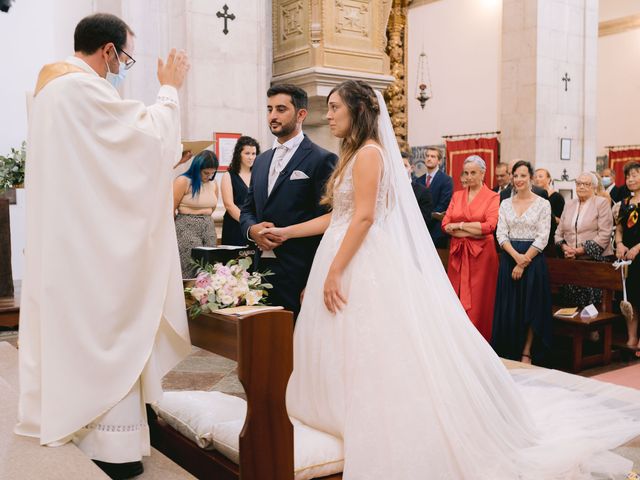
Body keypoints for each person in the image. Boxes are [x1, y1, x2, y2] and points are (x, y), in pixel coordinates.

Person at [263, 80, 640, 479]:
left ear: (357, 110)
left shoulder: (371, 154)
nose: (330, 114)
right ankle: (333, 411)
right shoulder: (353, 155)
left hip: (358, 260)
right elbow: (338, 216)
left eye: (336, 106)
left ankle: (376, 417)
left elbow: (364, 217)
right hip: (341, 250)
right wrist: (288, 232)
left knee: (371, 342)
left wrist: (336, 270)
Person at [16, 13, 192, 479]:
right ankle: (111, 447)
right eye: (125, 57)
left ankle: (75, 418)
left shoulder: (48, 92)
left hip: (72, 239)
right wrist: (170, 90)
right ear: (109, 51)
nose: (123, 67)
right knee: (109, 329)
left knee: (76, 332)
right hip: (94, 247)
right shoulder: (81, 88)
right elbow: (150, 140)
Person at [239, 84, 337, 317]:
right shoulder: (261, 161)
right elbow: (247, 209)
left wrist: (314, 279)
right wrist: (252, 230)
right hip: (259, 269)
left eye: (281, 109)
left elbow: (330, 221)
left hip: (300, 272)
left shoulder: (321, 159)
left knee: (295, 347)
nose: (273, 116)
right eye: (269, 109)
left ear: (301, 114)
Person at [492, 161, 553, 365]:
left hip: (533, 261)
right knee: (510, 306)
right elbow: (500, 234)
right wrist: (515, 258)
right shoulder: (505, 204)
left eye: (523, 176)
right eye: (515, 176)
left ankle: (526, 352)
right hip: (509, 259)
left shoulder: (543, 203)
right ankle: (509, 349)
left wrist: (523, 261)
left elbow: (543, 237)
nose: (518, 180)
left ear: (531, 178)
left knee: (530, 306)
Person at [442, 155, 499, 340]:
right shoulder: (457, 195)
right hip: (458, 254)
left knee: (478, 300)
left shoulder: (493, 196)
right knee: (455, 296)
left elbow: (489, 227)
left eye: (473, 172)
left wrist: (459, 226)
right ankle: (457, 340)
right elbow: (445, 224)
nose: (469, 176)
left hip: (482, 256)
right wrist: (471, 229)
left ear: (483, 173)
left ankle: (477, 341)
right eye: (466, 173)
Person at [554, 172, 613, 308]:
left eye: (585, 184)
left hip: (593, 263)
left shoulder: (601, 203)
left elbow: (605, 234)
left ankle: (594, 330)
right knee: (571, 307)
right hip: (570, 262)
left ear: (593, 186)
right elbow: (558, 233)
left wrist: (579, 251)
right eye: (578, 183)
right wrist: (564, 248)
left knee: (591, 309)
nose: (581, 187)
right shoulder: (569, 204)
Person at [173, 150, 219, 277]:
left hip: (208, 227)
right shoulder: (183, 181)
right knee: (190, 265)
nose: (209, 176)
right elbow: (171, 209)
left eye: (212, 173)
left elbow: (212, 206)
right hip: (186, 227)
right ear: (197, 168)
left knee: (209, 266)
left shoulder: (213, 183)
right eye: (205, 173)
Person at [615, 161, 640, 350]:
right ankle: (631, 337)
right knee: (630, 296)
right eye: (628, 176)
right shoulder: (624, 203)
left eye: (635, 175)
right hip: (628, 258)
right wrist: (620, 244)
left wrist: (637, 248)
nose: (631, 179)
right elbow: (619, 229)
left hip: (638, 253)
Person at [221, 136, 260, 246]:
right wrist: (248, 224)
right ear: (239, 154)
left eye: (253, 154)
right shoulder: (228, 176)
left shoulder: (259, 175)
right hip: (235, 225)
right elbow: (229, 205)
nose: (251, 157)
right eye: (247, 153)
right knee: (234, 261)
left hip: (256, 226)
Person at [419, 147, 453, 248]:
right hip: (419, 230)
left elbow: (443, 205)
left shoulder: (446, 180)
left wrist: (425, 219)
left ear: (439, 161)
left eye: (433, 156)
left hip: (436, 231)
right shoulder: (418, 181)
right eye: (427, 156)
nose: (429, 158)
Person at [402, 153, 433, 228]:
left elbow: (425, 220)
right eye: (399, 166)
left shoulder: (423, 192)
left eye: (405, 166)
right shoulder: (390, 190)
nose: (401, 169)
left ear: (411, 168)